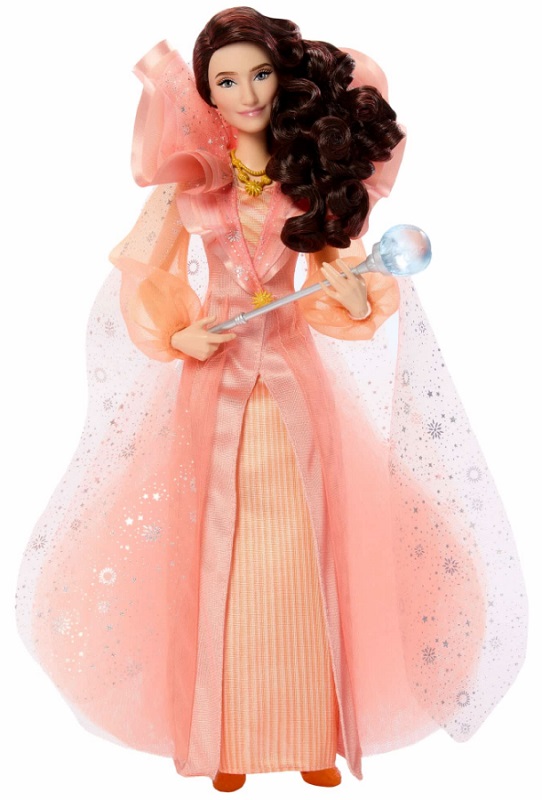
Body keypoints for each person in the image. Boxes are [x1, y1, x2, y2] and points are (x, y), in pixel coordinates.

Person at [16, 5, 527, 793]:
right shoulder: (192, 185)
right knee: (215, 558)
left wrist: (351, 291)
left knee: (302, 555)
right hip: (211, 390)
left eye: (259, 74)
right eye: (227, 80)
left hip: (293, 385)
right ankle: (225, 739)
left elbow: (338, 276)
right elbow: (143, 271)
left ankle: (313, 732)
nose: (248, 92)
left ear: (282, 79)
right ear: (206, 93)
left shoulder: (305, 182)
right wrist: (177, 331)